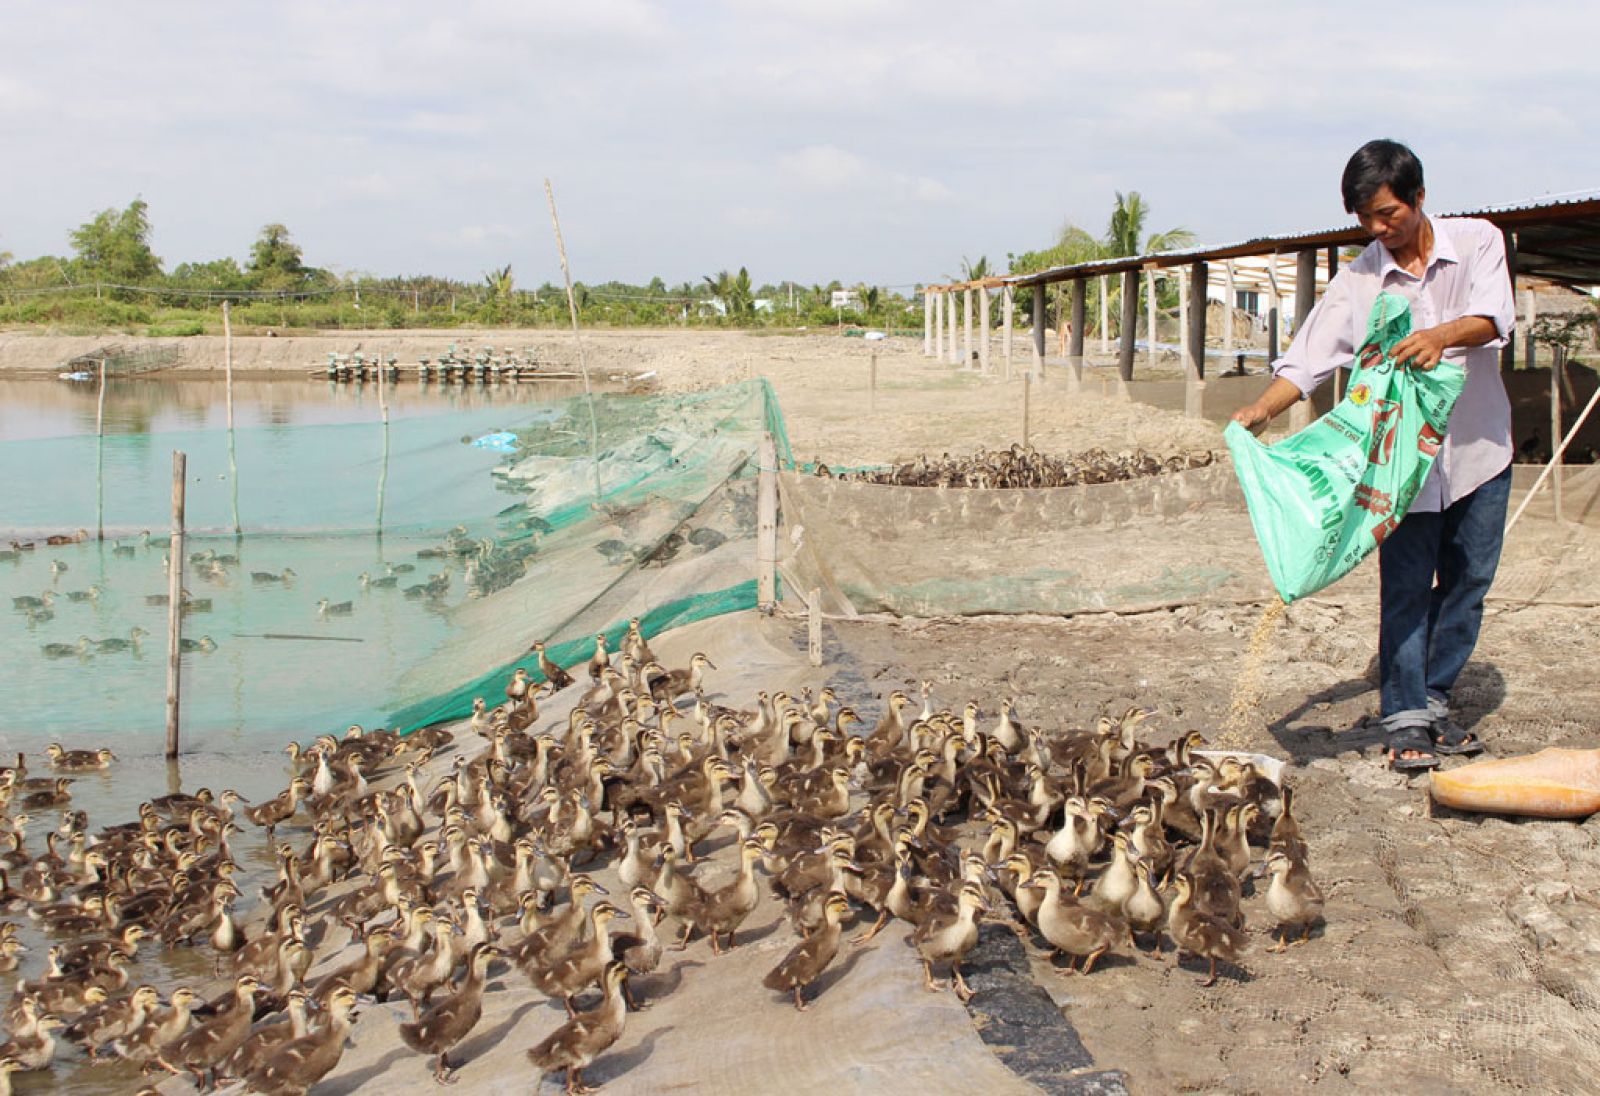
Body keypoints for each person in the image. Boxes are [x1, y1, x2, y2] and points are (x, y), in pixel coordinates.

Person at [1231, 139, 1515, 772]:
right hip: (1398, 467)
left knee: (1469, 581)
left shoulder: (1477, 242)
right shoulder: (1358, 278)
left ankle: (1435, 696)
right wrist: (1260, 411)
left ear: (1418, 198)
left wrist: (1440, 336)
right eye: (1365, 219)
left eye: (1387, 214)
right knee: (1408, 587)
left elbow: (1496, 317)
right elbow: (1308, 358)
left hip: (1479, 451)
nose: (1378, 229)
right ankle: (1406, 714)